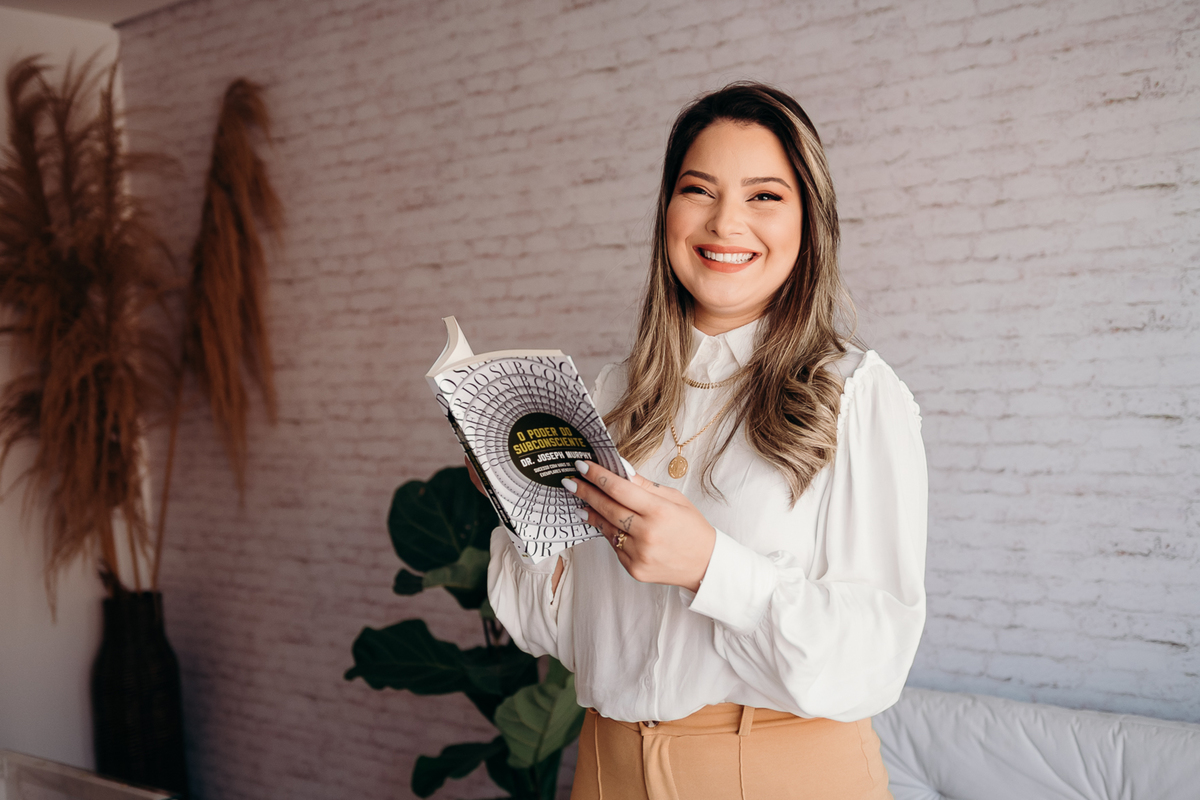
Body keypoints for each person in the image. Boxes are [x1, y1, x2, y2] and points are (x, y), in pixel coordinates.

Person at [483, 82, 927, 800]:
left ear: (810, 220)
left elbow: (874, 660)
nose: (726, 223)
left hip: (774, 775)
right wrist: (517, 502)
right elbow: (556, 634)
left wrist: (712, 568)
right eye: (699, 190)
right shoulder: (608, 394)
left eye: (764, 196)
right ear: (668, 210)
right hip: (605, 771)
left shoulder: (856, 394)